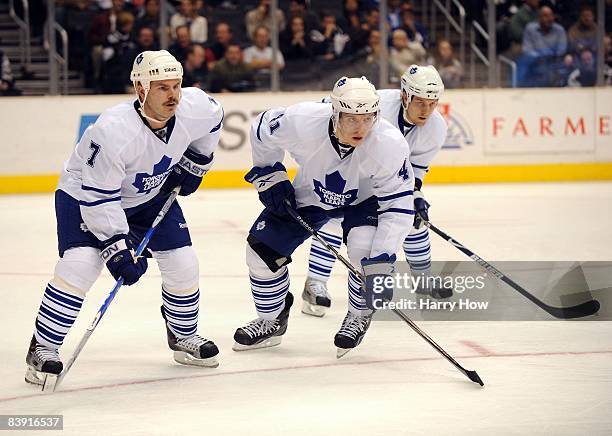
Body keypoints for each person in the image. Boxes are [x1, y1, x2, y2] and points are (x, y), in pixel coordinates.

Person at [25, 50, 224, 386]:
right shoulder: (113, 132)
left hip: (148, 195)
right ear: (140, 89)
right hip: (85, 196)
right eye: (162, 87)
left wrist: (196, 161)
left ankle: (183, 337)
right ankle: (43, 348)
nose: (173, 95)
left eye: (176, 85)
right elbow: (99, 198)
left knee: (184, 261)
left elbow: (215, 118)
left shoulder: (195, 108)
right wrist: (117, 249)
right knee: (82, 263)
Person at [232, 77, 415, 356]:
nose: (361, 128)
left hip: (366, 201)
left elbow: (399, 204)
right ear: (335, 112)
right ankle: (271, 319)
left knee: (364, 252)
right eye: (352, 119)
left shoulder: (389, 144)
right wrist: (268, 172)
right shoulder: (303, 120)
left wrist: (383, 256)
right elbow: (262, 127)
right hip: (312, 193)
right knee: (260, 253)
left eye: (368, 118)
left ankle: (359, 313)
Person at [302, 65, 449, 317]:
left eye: (432, 103)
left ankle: (423, 279)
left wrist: (414, 194)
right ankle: (315, 283)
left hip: (386, 178)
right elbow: (327, 110)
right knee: (333, 217)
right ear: (405, 95)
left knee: (413, 221)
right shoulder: (372, 103)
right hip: (346, 167)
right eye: (421, 103)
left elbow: (416, 168)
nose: (426, 110)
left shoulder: (437, 128)